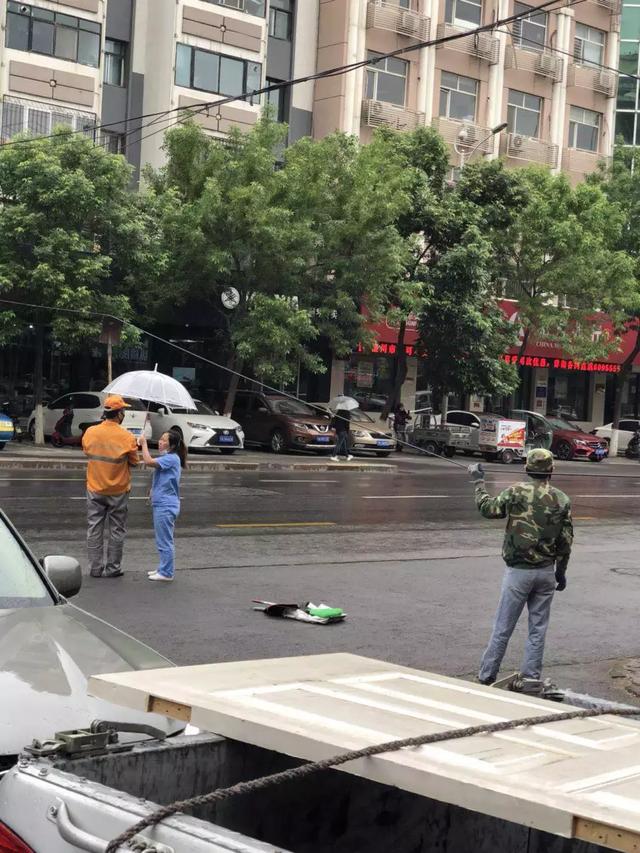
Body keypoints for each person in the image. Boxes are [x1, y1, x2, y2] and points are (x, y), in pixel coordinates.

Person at [468, 448, 573, 685]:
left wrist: (478, 482)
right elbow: (566, 542)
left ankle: (487, 675)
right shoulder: (562, 499)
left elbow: (489, 510)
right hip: (546, 573)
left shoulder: (516, 491)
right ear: (551, 470)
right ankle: (530, 678)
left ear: (526, 468)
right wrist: (561, 572)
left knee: (503, 627)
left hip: (518, 573)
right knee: (538, 629)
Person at [82, 395, 139, 578]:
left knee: (94, 528)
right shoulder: (127, 437)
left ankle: (95, 568)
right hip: (118, 491)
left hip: (95, 488)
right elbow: (134, 462)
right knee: (117, 530)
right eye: (124, 411)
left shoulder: (90, 432)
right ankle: (113, 568)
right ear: (119, 414)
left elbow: (86, 451)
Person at [139, 430, 187, 582]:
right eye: (160, 439)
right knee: (162, 539)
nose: (160, 442)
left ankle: (166, 572)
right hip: (163, 503)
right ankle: (163, 568)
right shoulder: (169, 458)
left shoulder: (171, 458)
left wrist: (144, 444)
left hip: (165, 505)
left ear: (171, 445)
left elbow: (148, 461)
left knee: (164, 540)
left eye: (164, 440)